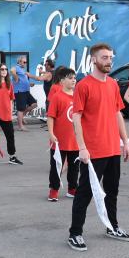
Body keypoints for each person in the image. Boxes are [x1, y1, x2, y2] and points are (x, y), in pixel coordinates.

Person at [68, 43, 129, 252]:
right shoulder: (83, 85)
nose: (109, 61)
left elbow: (117, 114)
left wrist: (126, 141)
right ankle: (75, 233)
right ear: (94, 60)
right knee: (85, 193)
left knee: (112, 191)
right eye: (104, 57)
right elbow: (76, 118)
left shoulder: (113, 84)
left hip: (113, 148)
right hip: (93, 151)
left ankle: (112, 227)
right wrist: (82, 148)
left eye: (111, 57)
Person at [46, 67, 78, 201]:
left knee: (74, 168)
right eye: (70, 78)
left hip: (75, 141)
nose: (73, 81)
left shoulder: (78, 97)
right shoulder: (57, 97)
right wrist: (51, 134)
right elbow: (50, 117)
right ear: (62, 80)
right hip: (59, 141)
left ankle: (72, 189)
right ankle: (54, 190)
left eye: (74, 78)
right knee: (56, 167)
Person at [11, 56, 42, 131]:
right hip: (20, 91)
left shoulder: (22, 69)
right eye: (24, 62)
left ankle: (21, 117)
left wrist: (29, 84)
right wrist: (16, 78)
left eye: (26, 62)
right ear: (19, 62)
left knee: (34, 104)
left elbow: (23, 80)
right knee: (20, 109)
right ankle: (20, 126)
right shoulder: (17, 67)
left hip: (26, 91)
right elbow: (12, 71)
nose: (25, 63)